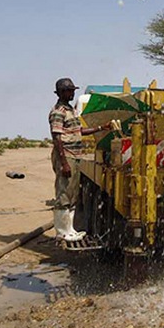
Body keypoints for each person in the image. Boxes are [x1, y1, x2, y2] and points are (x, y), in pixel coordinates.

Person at [49, 78, 110, 242]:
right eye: (70, 91)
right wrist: (64, 162)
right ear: (61, 92)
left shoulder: (71, 110)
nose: (72, 93)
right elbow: (57, 138)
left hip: (75, 155)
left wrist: (100, 128)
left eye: (73, 90)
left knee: (73, 193)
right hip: (66, 155)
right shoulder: (58, 112)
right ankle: (62, 231)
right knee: (64, 193)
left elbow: (79, 131)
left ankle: (70, 230)